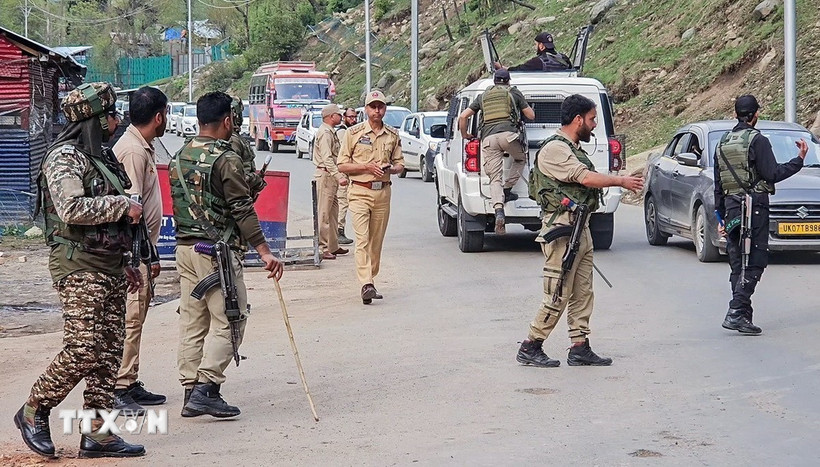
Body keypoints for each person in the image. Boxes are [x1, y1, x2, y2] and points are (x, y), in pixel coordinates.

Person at [13, 82, 146, 458]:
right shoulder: (64, 158)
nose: (116, 122)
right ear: (91, 119)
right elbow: (72, 209)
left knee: (107, 353)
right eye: (109, 116)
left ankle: (98, 434)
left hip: (110, 265)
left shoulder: (101, 156)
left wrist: (128, 261)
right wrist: (122, 205)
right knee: (83, 348)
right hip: (77, 265)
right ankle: (34, 408)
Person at [171, 91, 284, 418]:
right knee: (231, 320)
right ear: (227, 120)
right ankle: (207, 388)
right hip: (215, 253)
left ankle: (190, 391)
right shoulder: (226, 158)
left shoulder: (180, 155)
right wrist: (264, 251)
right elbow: (241, 208)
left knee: (193, 321)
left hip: (185, 250)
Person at [516, 94, 644, 368]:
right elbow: (584, 177)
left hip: (579, 226)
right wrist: (620, 180)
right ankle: (531, 344)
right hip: (562, 228)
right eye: (592, 119)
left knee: (583, 291)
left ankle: (579, 346)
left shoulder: (572, 147)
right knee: (558, 290)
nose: (594, 124)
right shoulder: (555, 149)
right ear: (578, 120)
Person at [715, 95, 807, 335]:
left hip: (732, 207)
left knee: (738, 262)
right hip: (753, 208)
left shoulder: (723, 142)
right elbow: (772, 173)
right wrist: (798, 161)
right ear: (755, 114)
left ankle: (743, 315)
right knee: (755, 260)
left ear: (736, 114)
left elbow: (718, 184)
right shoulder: (758, 140)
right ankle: (736, 310)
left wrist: (720, 218)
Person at [112, 86, 167, 414]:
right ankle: (119, 384)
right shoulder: (132, 151)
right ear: (159, 117)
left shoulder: (142, 146)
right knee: (131, 318)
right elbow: (132, 211)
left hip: (143, 250)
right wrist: (146, 255)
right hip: (135, 252)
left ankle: (129, 380)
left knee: (138, 317)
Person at [338, 90, 405, 304]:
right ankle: (366, 283)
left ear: (385, 109)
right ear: (365, 110)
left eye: (381, 106)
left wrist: (392, 169)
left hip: (383, 192)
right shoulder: (353, 133)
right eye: (373, 106)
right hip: (359, 191)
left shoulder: (393, 135)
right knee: (362, 239)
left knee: (376, 242)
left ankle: (371, 279)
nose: (377, 110)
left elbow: (400, 163)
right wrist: (366, 166)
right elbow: (342, 164)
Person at [458, 69, 535, 234]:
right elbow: (531, 115)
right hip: (509, 136)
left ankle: (499, 210)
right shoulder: (513, 92)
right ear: (508, 81)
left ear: (494, 81)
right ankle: (507, 190)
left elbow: (463, 117)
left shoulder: (483, 96)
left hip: (489, 139)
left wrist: (466, 135)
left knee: (495, 177)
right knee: (521, 159)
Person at [314, 103, 350, 260]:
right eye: (338, 114)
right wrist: (338, 175)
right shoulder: (325, 133)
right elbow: (327, 158)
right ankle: (322, 248)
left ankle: (333, 245)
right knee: (324, 213)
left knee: (334, 212)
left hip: (331, 176)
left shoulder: (331, 131)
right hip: (326, 176)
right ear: (330, 117)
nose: (341, 117)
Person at [230, 97, 267, 200]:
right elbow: (236, 176)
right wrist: (256, 180)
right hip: (237, 198)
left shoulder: (235, 138)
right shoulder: (233, 140)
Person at [336, 107, 359, 245]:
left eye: (354, 117)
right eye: (350, 117)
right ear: (344, 117)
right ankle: (339, 230)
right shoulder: (343, 132)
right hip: (342, 171)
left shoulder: (351, 131)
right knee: (342, 201)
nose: (353, 119)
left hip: (349, 171)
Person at [499, 32, 572, 72]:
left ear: (541, 46)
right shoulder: (564, 58)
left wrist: (503, 68)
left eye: (535, 44)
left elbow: (519, 69)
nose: (535, 47)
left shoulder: (537, 62)